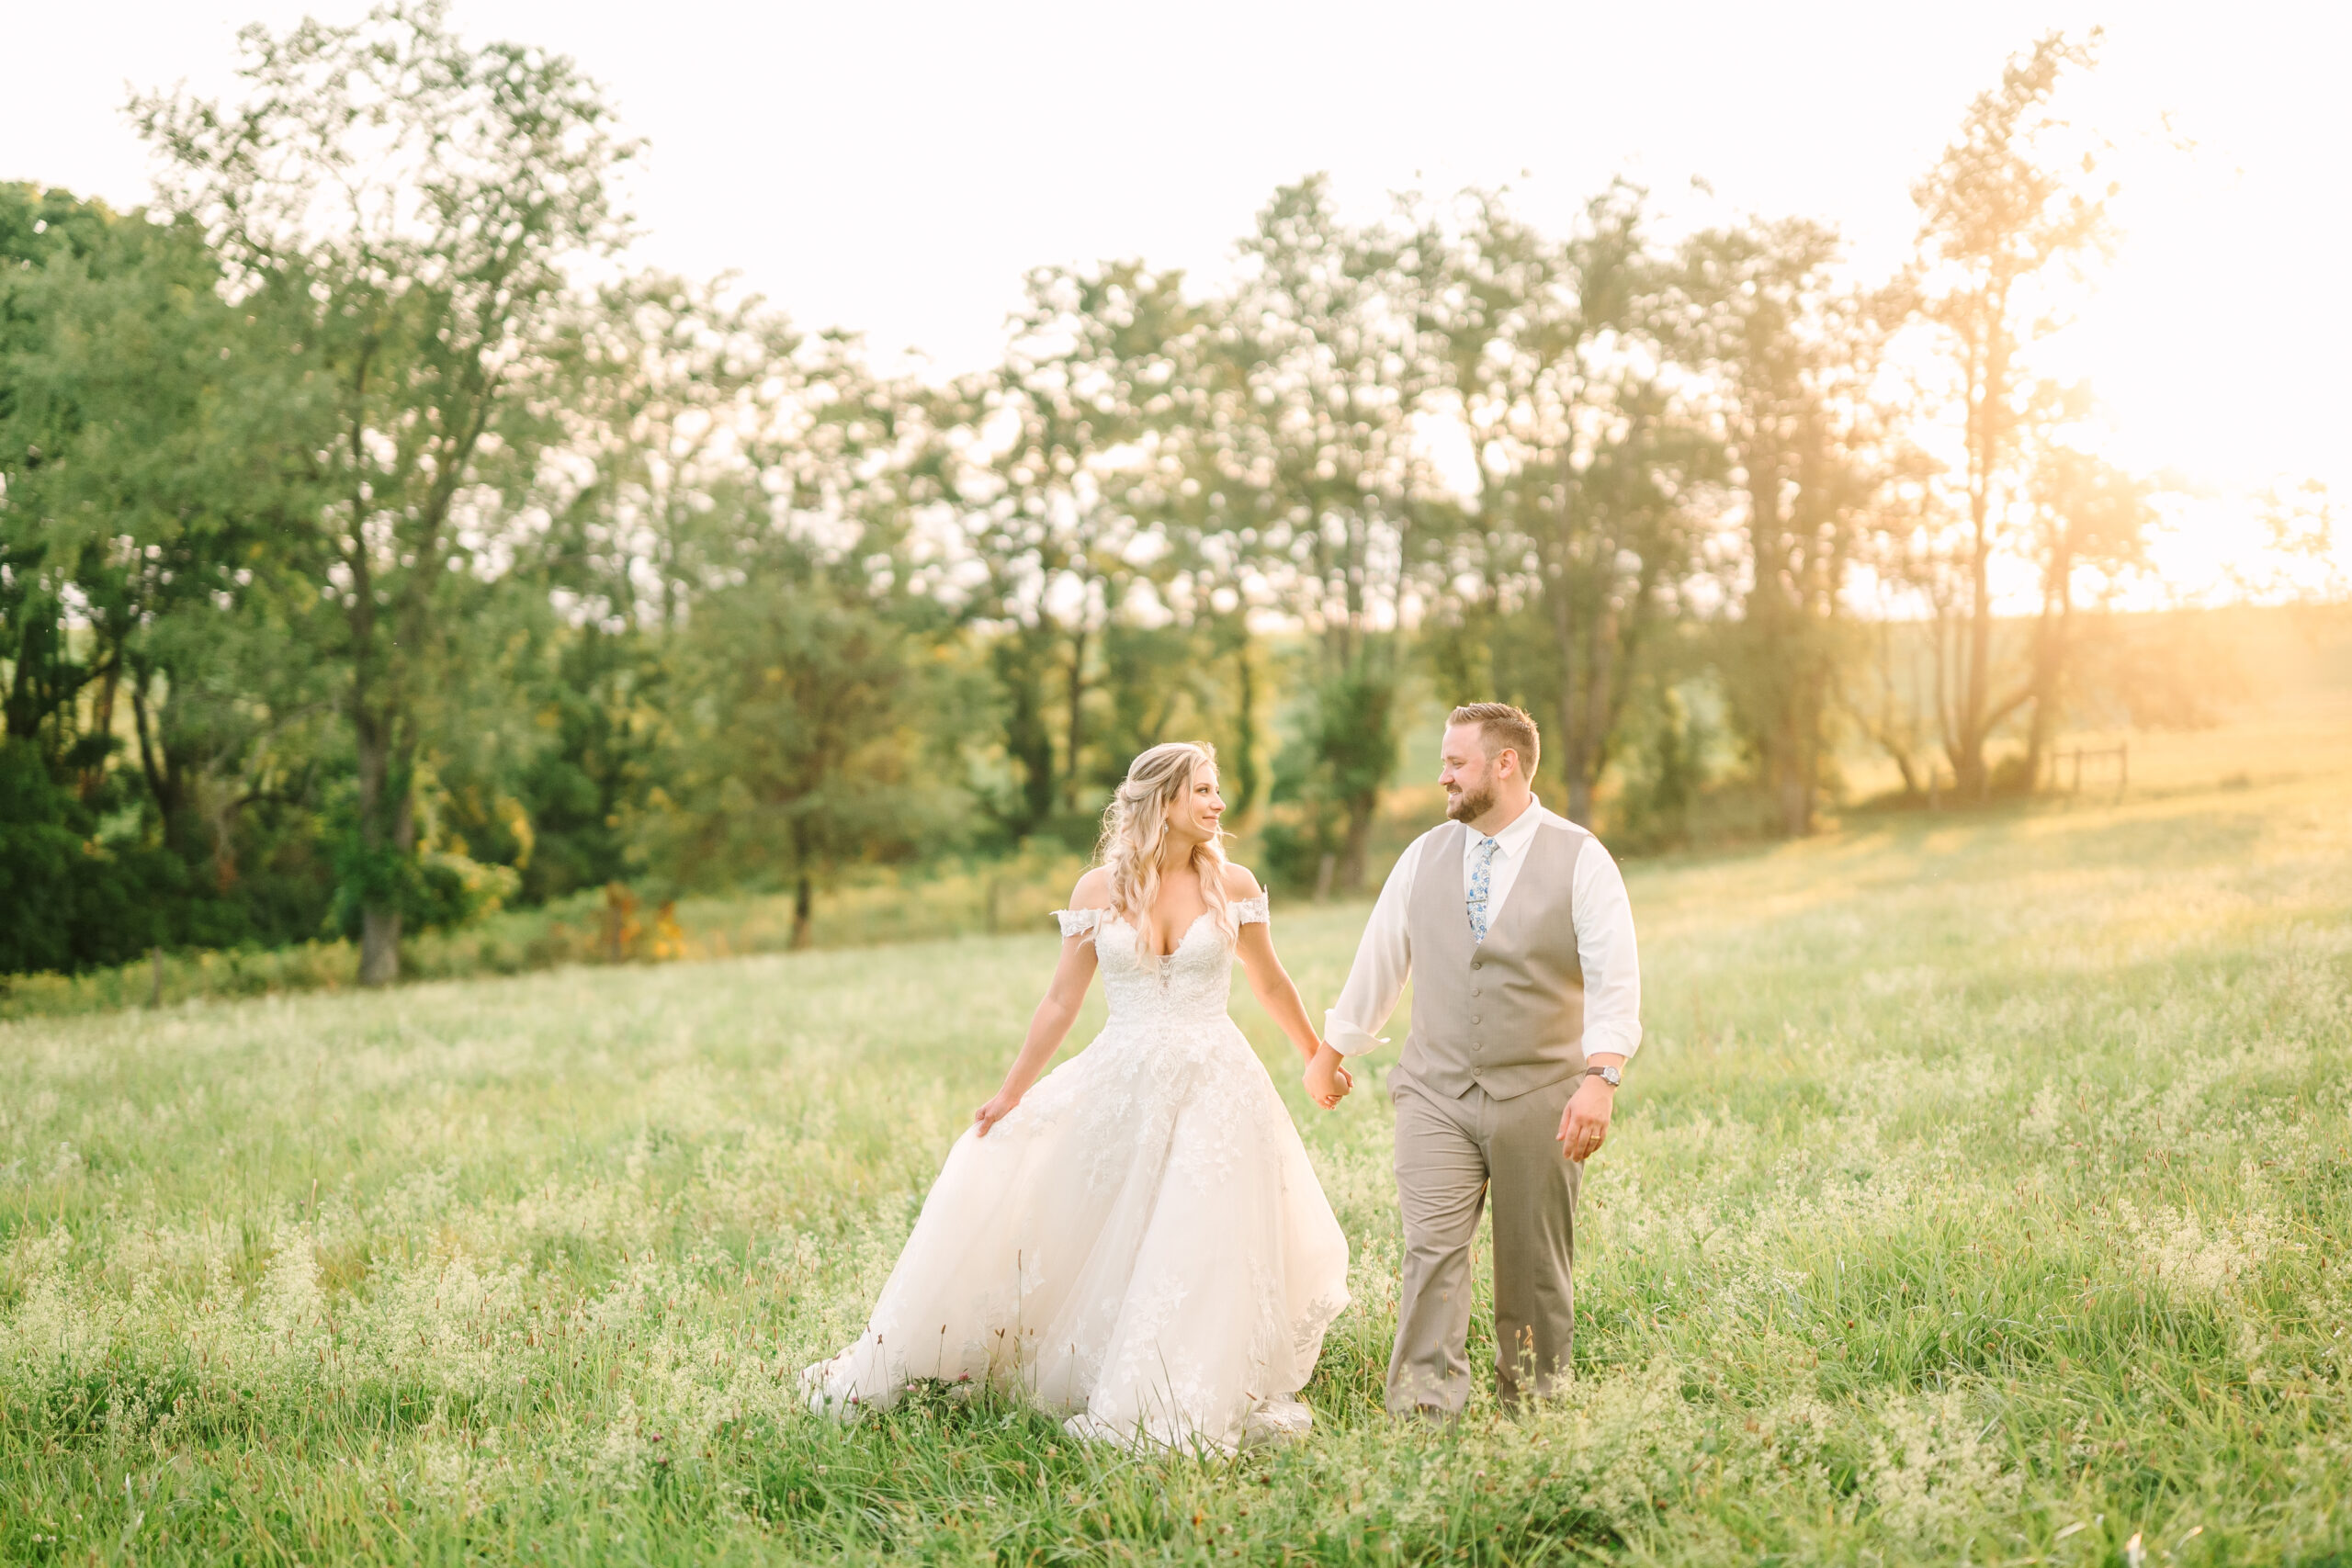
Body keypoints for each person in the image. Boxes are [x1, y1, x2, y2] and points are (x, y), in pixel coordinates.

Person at [804, 741, 1354, 1452]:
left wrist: (1316, 1054)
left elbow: (1270, 982)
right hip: (1121, 1080)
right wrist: (1009, 1093)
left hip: (1216, 1082)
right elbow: (1062, 999)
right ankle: (1086, 1360)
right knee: (1104, 1226)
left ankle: (1177, 1381)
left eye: (1218, 790)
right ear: (1163, 801)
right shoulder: (1098, 889)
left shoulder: (1234, 883)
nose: (1219, 804)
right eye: (1205, 791)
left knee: (1198, 1234)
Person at [1325, 703, 1641, 1416]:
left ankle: (1532, 1406)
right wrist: (1333, 1049)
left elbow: (1615, 976)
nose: (1442, 776)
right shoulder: (1424, 854)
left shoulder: (1580, 856)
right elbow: (1380, 960)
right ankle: (1424, 1412)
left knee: (1533, 1267)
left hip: (1543, 1093)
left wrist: (1602, 1076)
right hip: (1435, 1091)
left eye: (1455, 762)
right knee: (1430, 1252)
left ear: (1505, 764)